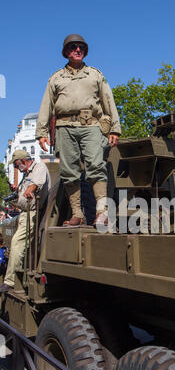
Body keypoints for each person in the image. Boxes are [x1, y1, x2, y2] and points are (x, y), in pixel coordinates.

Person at [36, 34, 121, 227]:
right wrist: (41, 132)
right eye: (73, 47)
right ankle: (77, 213)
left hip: (91, 125)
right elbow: (46, 106)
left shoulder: (95, 75)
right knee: (68, 172)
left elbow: (109, 101)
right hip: (64, 127)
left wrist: (115, 129)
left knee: (96, 166)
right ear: (66, 52)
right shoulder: (55, 78)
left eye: (81, 47)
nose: (78, 50)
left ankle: (102, 212)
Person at [0, 150, 51, 292]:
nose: (16, 168)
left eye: (16, 165)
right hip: (25, 213)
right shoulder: (27, 174)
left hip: (32, 213)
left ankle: (9, 281)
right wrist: (18, 190)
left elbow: (37, 183)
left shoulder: (39, 167)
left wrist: (29, 190)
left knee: (17, 243)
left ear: (22, 161)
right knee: (18, 245)